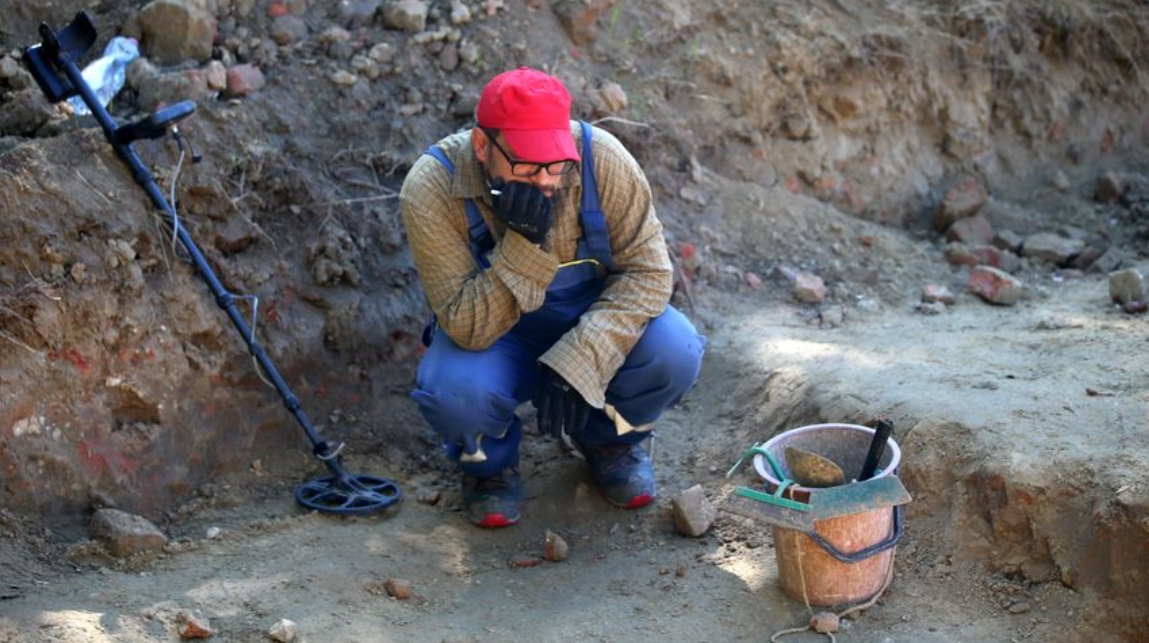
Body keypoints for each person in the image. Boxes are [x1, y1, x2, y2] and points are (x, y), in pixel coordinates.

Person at [399, 67, 705, 528]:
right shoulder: (432, 188)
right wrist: (523, 244)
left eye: (555, 161)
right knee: (452, 392)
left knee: (675, 351)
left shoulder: (602, 161)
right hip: (497, 339)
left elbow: (649, 275)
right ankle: (491, 470)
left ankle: (609, 442)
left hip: (590, 320)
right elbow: (465, 323)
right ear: (483, 146)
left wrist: (581, 361)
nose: (547, 180)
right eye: (528, 163)